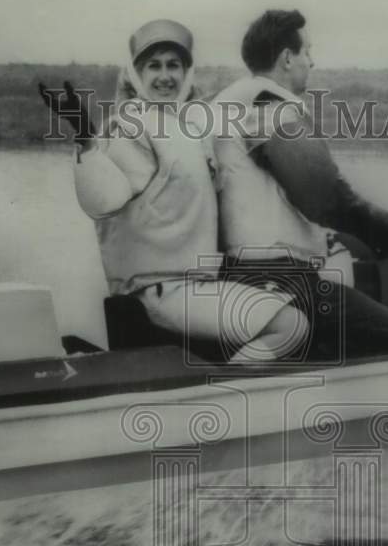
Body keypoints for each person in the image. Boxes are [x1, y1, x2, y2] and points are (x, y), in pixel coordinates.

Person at [41, 19, 308, 364]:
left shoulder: (186, 124)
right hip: (160, 291)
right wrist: (85, 140)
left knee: (298, 303)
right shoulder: (128, 126)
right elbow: (105, 199)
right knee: (290, 325)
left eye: (174, 65)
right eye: (153, 66)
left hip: (195, 285)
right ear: (136, 72)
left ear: (186, 71)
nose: (165, 76)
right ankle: (223, 401)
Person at [212, 9, 388, 360]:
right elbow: (325, 197)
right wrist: (383, 229)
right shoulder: (270, 110)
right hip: (276, 277)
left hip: (239, 270)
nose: (312, 61)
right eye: (307, 51)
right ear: (287, 58)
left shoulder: (232, 103)